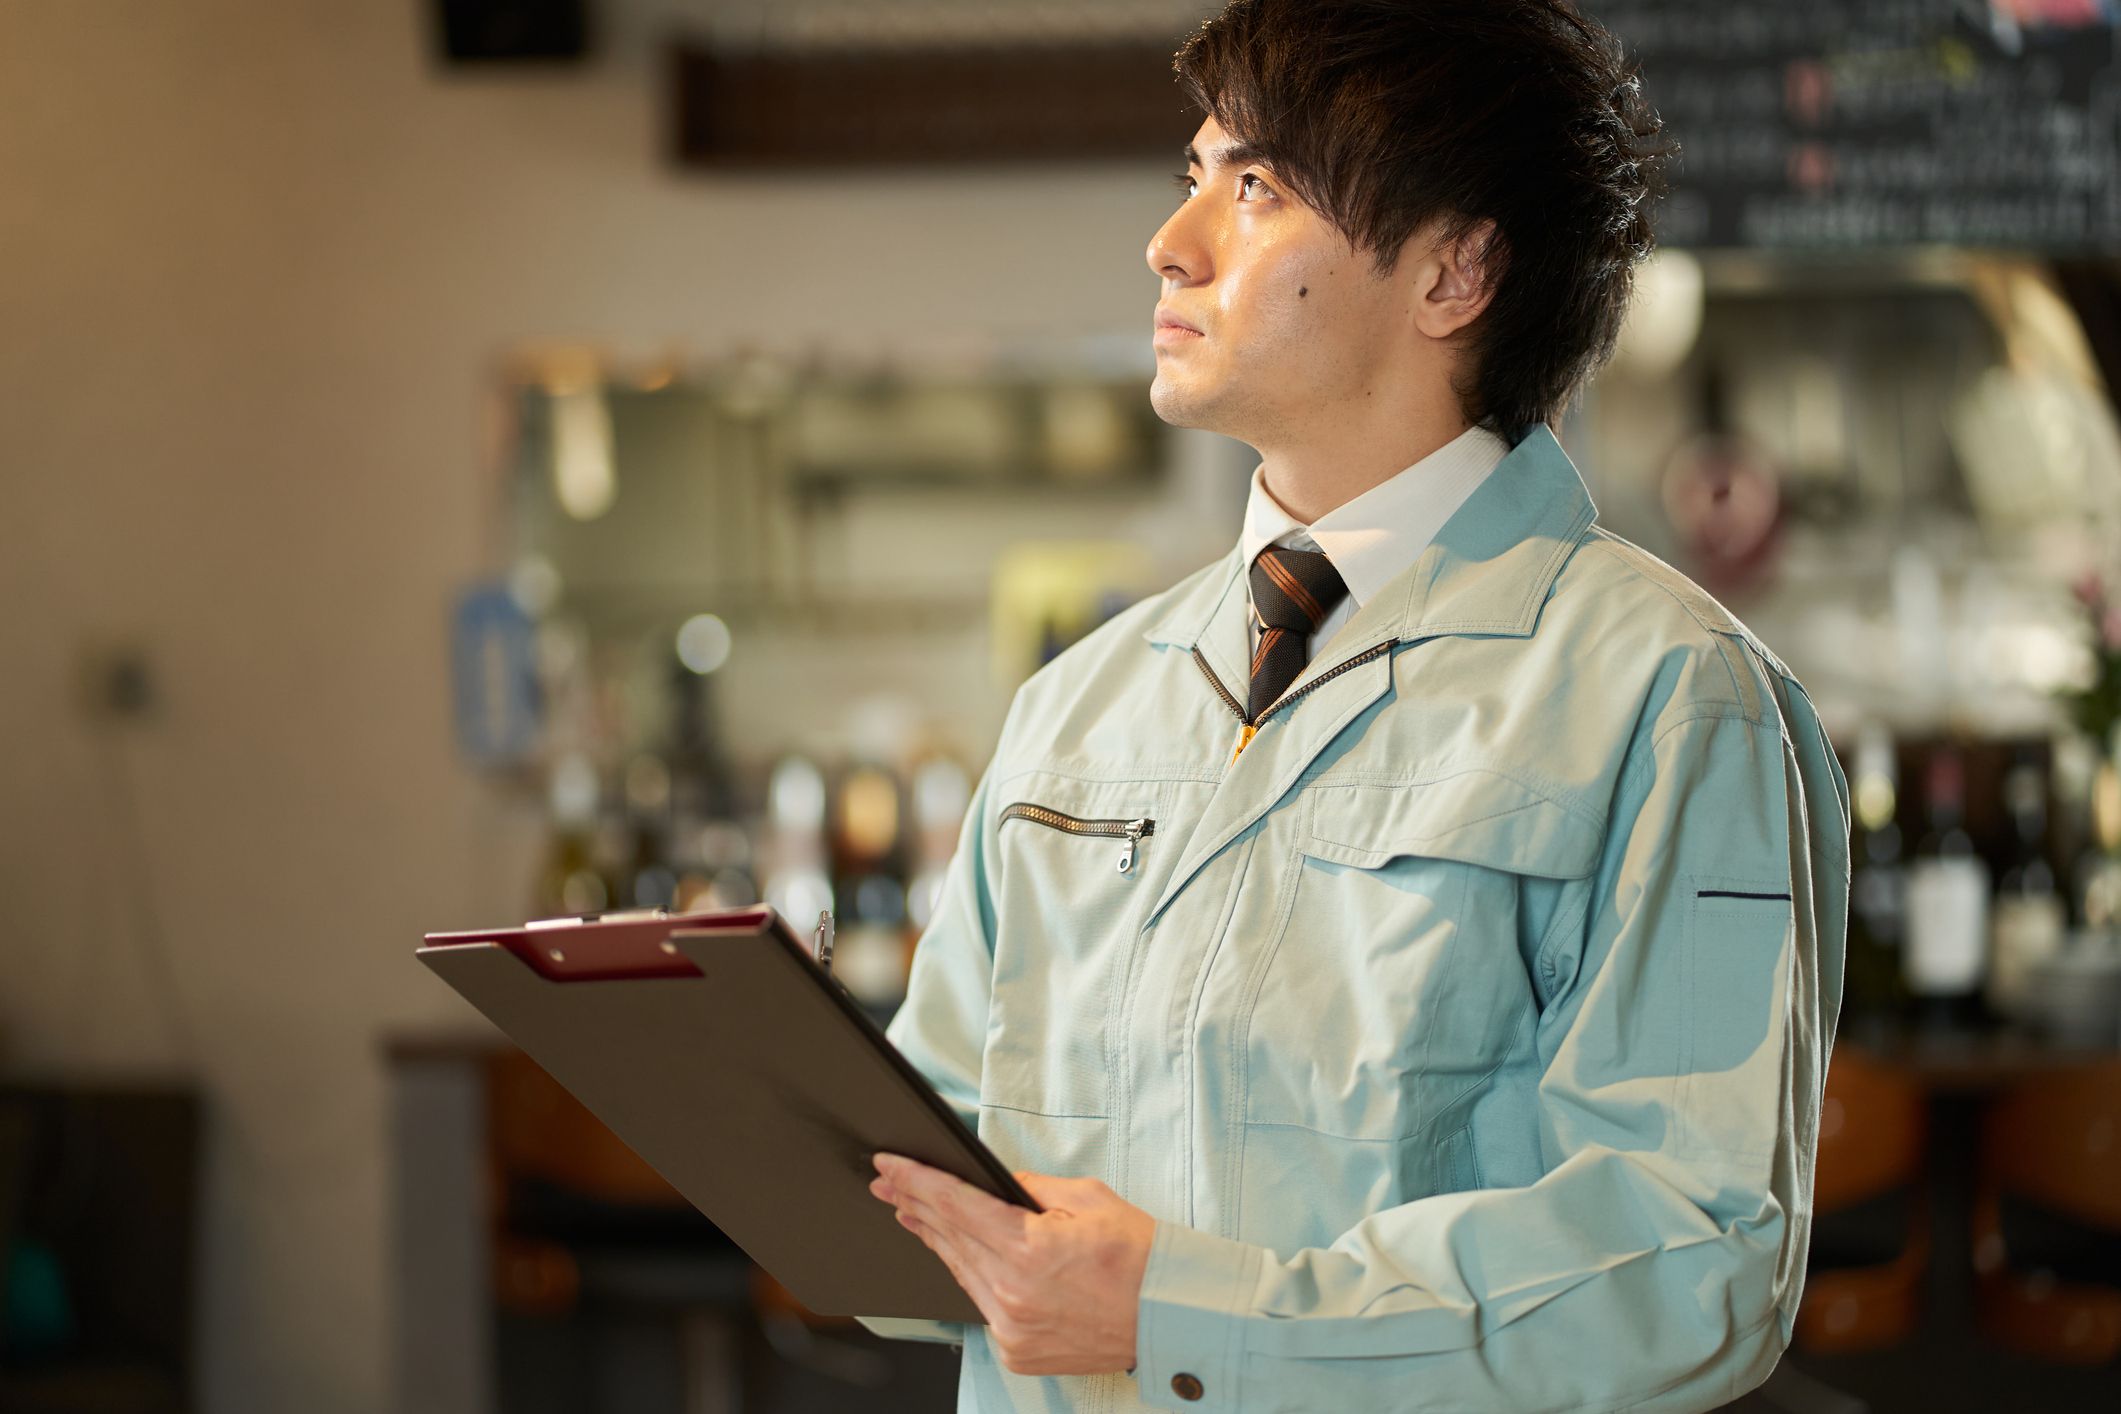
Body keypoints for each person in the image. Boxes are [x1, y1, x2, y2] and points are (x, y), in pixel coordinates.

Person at [857, 2, 1851, 1410]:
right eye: (1189, 174)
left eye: (1253, 186)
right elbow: (909, 1196)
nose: (1174, 240)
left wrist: (1192, 1315)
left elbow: (1687, 1260)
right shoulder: (1075, 707)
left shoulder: (1673, 697)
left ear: (1453, 271)